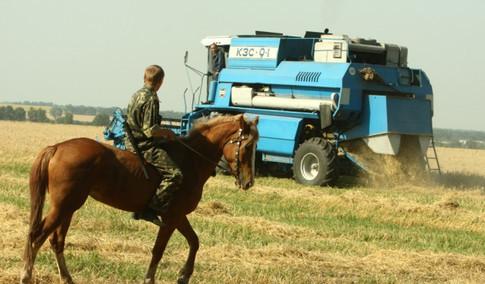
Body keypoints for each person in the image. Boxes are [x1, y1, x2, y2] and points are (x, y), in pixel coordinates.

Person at [125, 64, 183, 226]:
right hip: (143, 145)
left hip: (130, 141)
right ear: (161, 82)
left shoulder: (137, 94)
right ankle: (150, 208)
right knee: (175, 174)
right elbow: (149, 130)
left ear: (144, 78)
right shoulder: (151, 98)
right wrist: (167, 133)